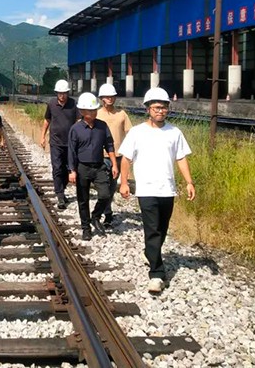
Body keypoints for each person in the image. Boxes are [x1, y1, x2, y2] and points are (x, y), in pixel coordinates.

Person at [118, 87, 196, 294]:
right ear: (148, 109)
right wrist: (124, 182)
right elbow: (126, 159)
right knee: (152, 229)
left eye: (164, 107)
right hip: (146, 189)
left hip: (167, 189)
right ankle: (156, 274)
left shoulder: (175, 132)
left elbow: (181, 158)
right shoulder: (137, 132)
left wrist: (189, 182)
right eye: (156, 107)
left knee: (162, 229)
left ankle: (150, 253)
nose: (161, 111)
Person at [68, 92, 117, 241]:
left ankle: (96, 216)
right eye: (90, 110)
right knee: (83, 199)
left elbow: (109, 145)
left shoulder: (102, 126)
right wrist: (72, 170)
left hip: (99, 166)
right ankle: (86, 228)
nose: (94, 113)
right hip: (82, 167)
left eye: (95, 110)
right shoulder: (75, 129)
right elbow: (71, 151)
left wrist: (114, 164)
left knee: (105, 195)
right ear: (82, 112)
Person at [96, 83, 132, 226]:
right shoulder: (96, 114)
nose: (110, 99)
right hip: (100, 156)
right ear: (101, 98)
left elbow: (130, 133)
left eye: (112, 96)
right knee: (103, 186)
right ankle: (104, 212)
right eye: (106, 96)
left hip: (118, 156)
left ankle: (107, 212)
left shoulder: (122, 114)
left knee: (111, 186)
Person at [40, 79, 80, 209]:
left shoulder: (73, 104)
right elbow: (47, 120)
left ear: (68, 93)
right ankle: (60, 195)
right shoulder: (52, 104)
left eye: (64, 93)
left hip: (70, 143)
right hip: (56, 142)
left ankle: (62, 188)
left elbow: (78, 120)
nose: (62, 96)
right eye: (60, 93)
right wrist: (42, 136)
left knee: (68, 169)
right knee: (57, 168)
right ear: (56, 93)